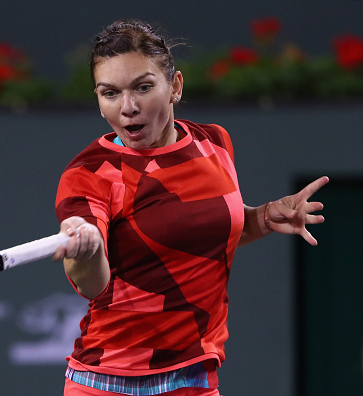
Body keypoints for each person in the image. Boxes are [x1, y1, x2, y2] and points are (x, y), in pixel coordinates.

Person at [52, 19, 328, 396]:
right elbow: (91, 283)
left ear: (175, 87)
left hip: (193, 381)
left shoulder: (213, 143)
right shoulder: (89, 173)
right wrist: (87, 249)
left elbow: (202, 233)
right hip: (106, 382)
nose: (128, 107)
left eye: (143, 87)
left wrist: (261, 217)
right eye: (110, 93)